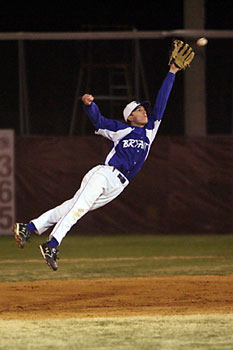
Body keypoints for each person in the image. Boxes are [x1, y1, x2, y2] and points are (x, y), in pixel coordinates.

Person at [13, 62, 180, 271]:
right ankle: (52, 244)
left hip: (119, 187)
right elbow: (98, 120)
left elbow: (161, 103)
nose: (144, 111)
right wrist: (89, 105)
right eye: (139, 109)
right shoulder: (121, 129)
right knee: (78, 209)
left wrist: (172, 72)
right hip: (104, 175)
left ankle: (28, 228)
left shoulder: (150, 131)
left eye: (144, 108)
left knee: (70, 208)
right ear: (130, 116)